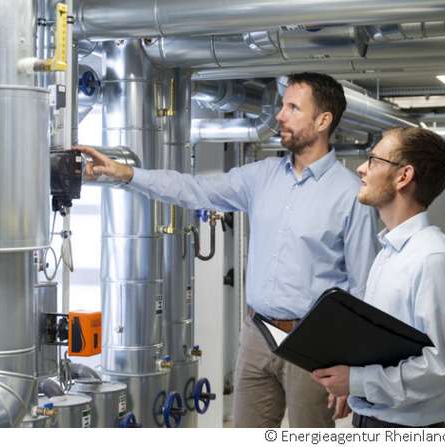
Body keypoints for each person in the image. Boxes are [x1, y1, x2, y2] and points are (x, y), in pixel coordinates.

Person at [77, 72, 377, 428]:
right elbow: (193, 188)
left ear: (323, 121)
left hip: (315, 344)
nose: (279, 115)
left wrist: (353, 367)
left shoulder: (350, 194)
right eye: (282, 106)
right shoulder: (261, 176)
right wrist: (127, 174)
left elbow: (362, 289)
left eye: (293, 108)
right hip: (258, 333)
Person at [312, 127, 445, 428]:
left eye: (373, 160)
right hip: (370, 417)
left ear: (403, 176)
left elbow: (441, 368)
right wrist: (354, 383)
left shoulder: (434, 259)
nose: (361, 168)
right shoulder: (388, 251)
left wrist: (358, 379)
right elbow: (382, 342)